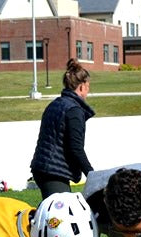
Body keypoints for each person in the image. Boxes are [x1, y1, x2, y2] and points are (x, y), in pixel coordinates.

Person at [30, 59, 95, 199]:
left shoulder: (55, 104)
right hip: (53, 172)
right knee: (60, 216)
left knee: (55, 212)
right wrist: (92, 174)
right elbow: (75, 148)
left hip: (42, 167)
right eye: (88, 87)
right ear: (82, 87)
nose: (88, 91)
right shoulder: (74, 111)